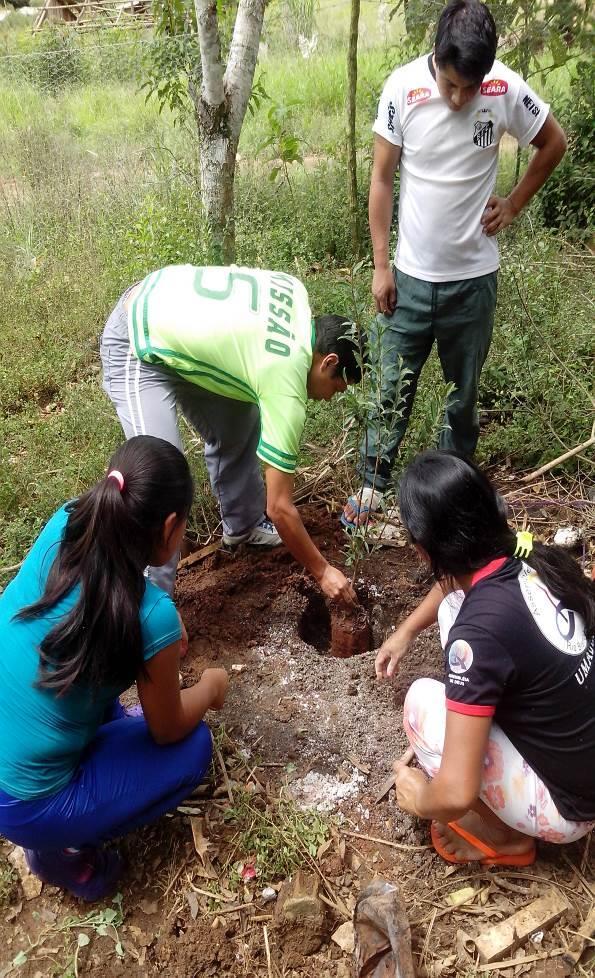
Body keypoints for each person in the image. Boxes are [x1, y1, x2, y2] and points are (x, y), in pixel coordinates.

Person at [343, 0, 567, 526]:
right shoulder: (402, 89)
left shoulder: (506, 89)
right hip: (410, 280)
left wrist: (513, 203)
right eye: (450, 84)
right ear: (435, 59)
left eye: (470, 87)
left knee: (462, 398)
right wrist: (381, 265)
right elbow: (381, 178)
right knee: (391, 386)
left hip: (473, 281)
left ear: (487, 72)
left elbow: (553, 142)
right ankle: (373, 487)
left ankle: (452, 496)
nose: (459, 98)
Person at [0, 436, 229, 900]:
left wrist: (165, 616)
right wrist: (209, 687)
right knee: (193, 749)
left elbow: (97, 604)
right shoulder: (149, 616)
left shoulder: (68, 520)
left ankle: (77, 786)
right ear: (169, 527)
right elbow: (168, 730)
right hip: (24, 802)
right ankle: (63, 853)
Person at [375, 450, 595, 865]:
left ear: (424, 551)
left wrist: (420, 796)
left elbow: (455, 792)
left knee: (422, 704)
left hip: (571, 809)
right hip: (581, 752)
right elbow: (453, 585)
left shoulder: (476, 637)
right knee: (449, 608)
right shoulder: (531, 555)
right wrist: (405, 631)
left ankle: (505, 836)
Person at [101, 265, 360, 604]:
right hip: (139, 337)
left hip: (176, 315)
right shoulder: (285, 381)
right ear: (327, 362)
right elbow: (280, 508)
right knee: (158, 485)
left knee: (243, 415)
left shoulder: (296, 292)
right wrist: (323, 570)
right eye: (338, 386)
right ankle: (149, 612)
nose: (331, 397)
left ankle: (243, 525)